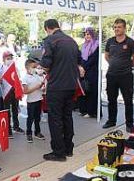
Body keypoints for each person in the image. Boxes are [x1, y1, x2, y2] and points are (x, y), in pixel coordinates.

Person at [40, 19, 84, 161]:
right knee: (67, 117)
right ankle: (68, 148)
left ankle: (58, 152)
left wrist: (42, 65)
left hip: (57, 86)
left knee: (55, 119)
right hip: (71, 85)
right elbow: (79, 61)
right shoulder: (71, 40)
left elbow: (46, 65)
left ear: (47, 28)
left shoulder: (50, 40)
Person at [102, 18, 134, 133]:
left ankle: (129, 124)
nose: (116, 29)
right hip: (112, 75)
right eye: (115, 27)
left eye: (119, 27)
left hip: (126, 76)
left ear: (124, 28)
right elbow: (106, 56)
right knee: (111, 99)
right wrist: (114, 65)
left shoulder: (131, 42)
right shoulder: (110, 41)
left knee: (128, 100)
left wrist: (125, 66)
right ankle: (111, 121)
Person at [0, 51, 25, 138]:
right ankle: (8, 129)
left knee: (15, 110)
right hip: (6, 93)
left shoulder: (15, 68)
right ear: (3, 59)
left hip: (14, 91)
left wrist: (20, 89)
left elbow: (18, 79)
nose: (10, 60)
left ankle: (16, 126)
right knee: (7, 111)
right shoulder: (1, 68)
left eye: (11, 58)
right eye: (8, 58)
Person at [22, 59, 45, 143]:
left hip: (39, 99)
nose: (35, 69)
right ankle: (29, 133)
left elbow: (41, 88)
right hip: (31, 101)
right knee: (30, 118)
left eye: (35, 67)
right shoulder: (25, 78)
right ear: (27, 68)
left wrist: (43, 88)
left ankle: (37, 132)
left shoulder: (37, 76)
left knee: (37, 117)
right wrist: (37, 87)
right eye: (33, 67)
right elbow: (25, 91)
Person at [79, 27, 100, 118]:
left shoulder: (97, 45)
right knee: (84, 90)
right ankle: (84, 110)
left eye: (88, 34)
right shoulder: (84, 45)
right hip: (84, 71)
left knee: (92, 91)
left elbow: (93, 59)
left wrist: (84, 68)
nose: (86, 36)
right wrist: (81, 67)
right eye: (85, 34)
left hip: (93, 71)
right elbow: (81, 58)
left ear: (92, 35)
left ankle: (92, 112)